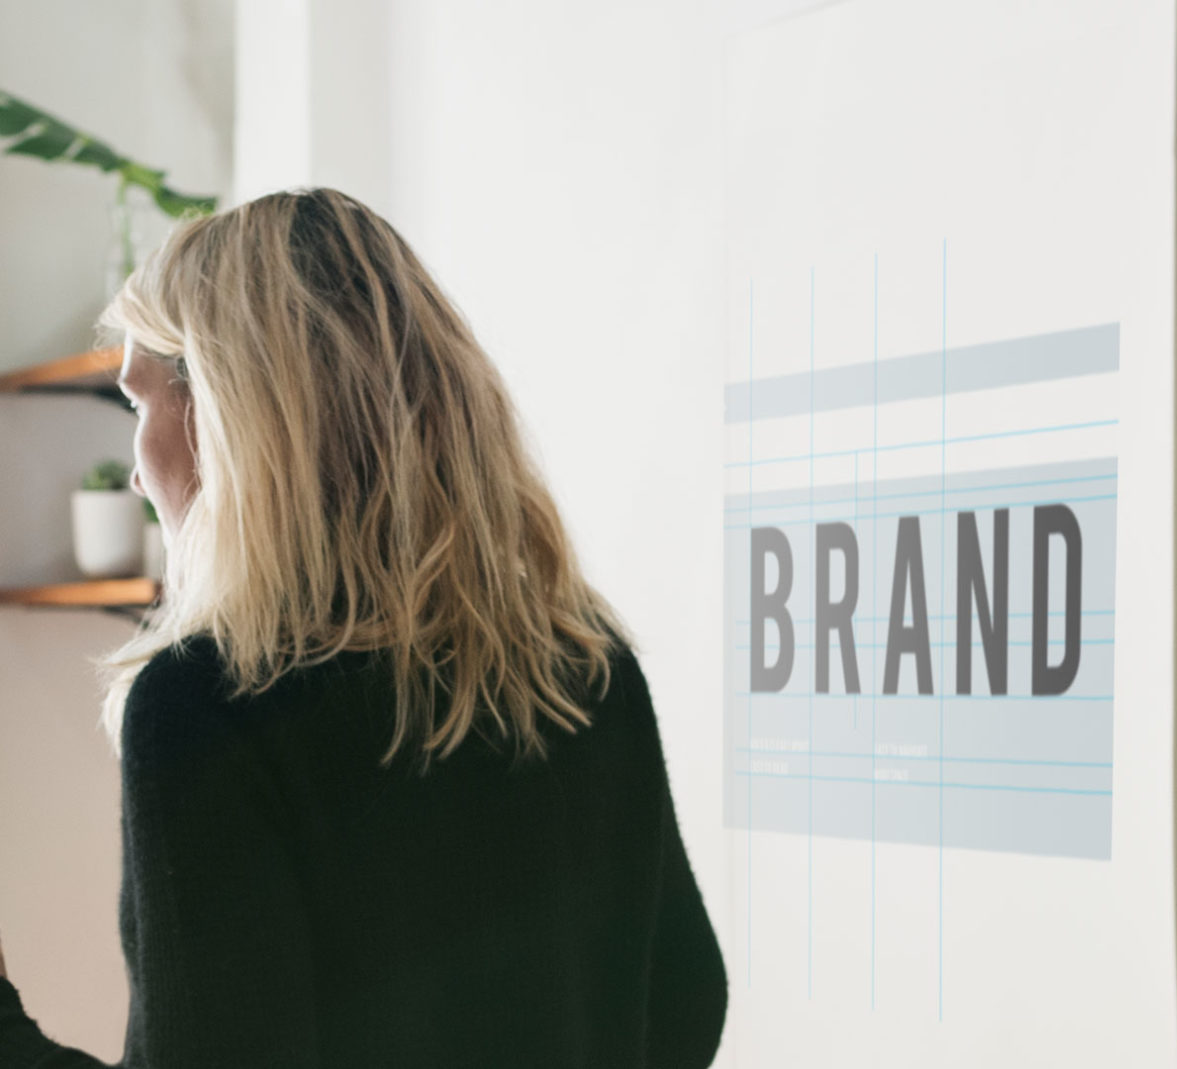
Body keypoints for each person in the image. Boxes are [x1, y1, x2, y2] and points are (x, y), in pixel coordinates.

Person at [0, 188, 727, 1067]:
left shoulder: (206, 703)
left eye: (139, 403)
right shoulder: (584, 667)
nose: (137, 472)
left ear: (222, 420)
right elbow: (687, 1005)